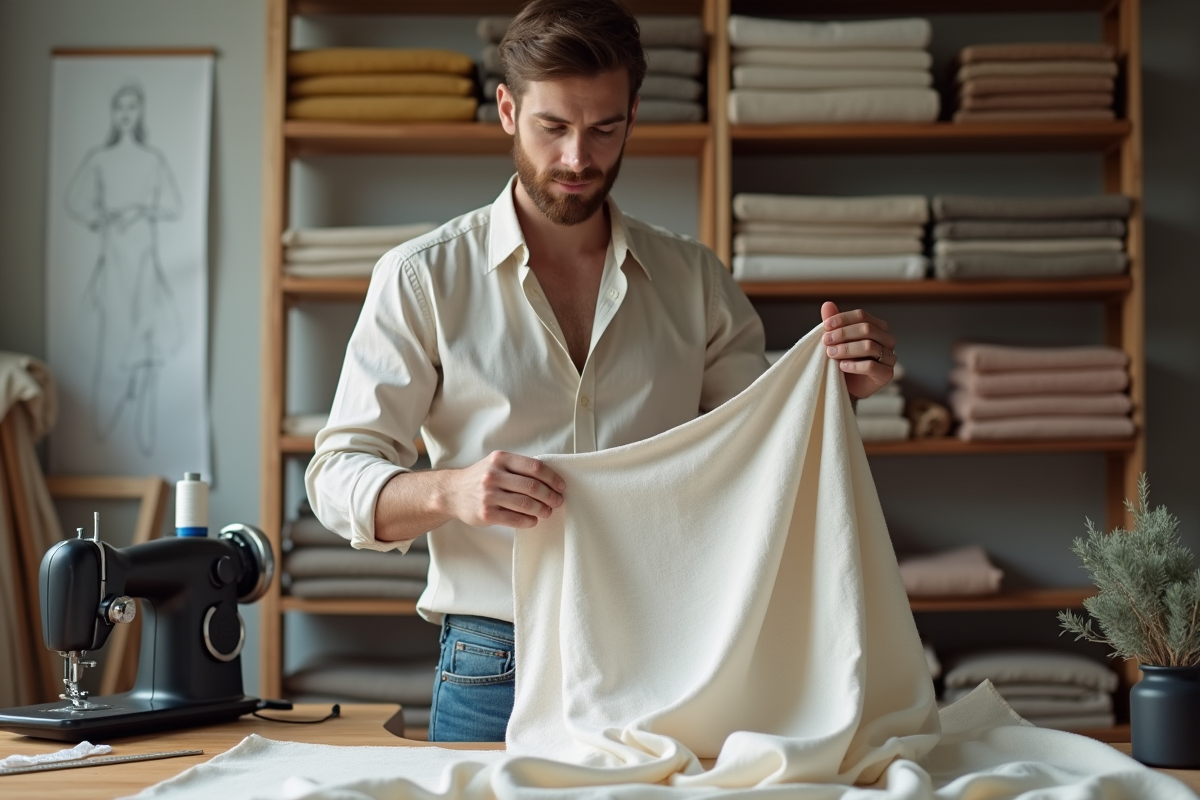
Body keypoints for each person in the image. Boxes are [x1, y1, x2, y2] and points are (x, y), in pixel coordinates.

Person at [306, 0, 898, 743]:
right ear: (507, 111)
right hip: (497, 661)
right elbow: (335, 477)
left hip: (673, 656)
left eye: (604, 127)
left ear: (634, 114)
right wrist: (452, 491)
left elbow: (756, 457)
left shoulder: (695, 281)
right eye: (553, 127)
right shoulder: (422, 279)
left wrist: (835, 395)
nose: (578, 158)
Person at [65, 82, 183, 455]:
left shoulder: (153, 159)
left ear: (140, 112)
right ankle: (108, 419)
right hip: (114, 259)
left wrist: (140, 211)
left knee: (147, 339)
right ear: (114, 114)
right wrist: (103, 217)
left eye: (133, 107)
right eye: (121, 108)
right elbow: (75, 200)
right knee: (114, 337)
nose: (126, 114)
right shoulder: (100, 159)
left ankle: (143, 419)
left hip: (144, 260)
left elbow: (173, 206)